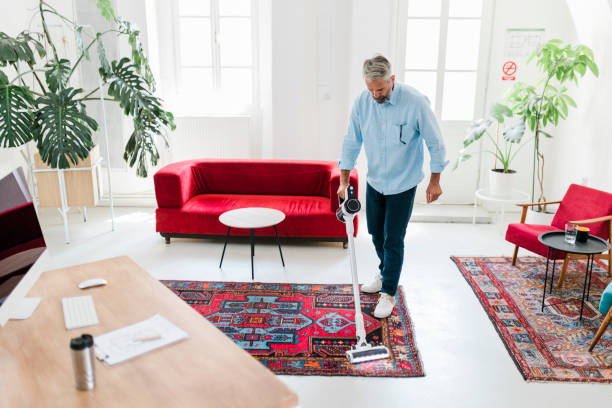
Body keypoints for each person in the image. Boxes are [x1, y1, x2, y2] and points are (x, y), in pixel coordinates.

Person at [338, 55, 448, 318]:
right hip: (376, 180)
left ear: (392, 80)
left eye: (381, 89)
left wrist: (435, 181)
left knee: (393, 239)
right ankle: (385, 271)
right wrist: (343, 181)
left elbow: (435, 142)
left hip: (403, 183)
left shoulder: (415, 103)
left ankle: (388, 292)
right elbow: (351, 142)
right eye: (372, 89)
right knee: (375, 232)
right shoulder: (362, 104)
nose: (376, 94)